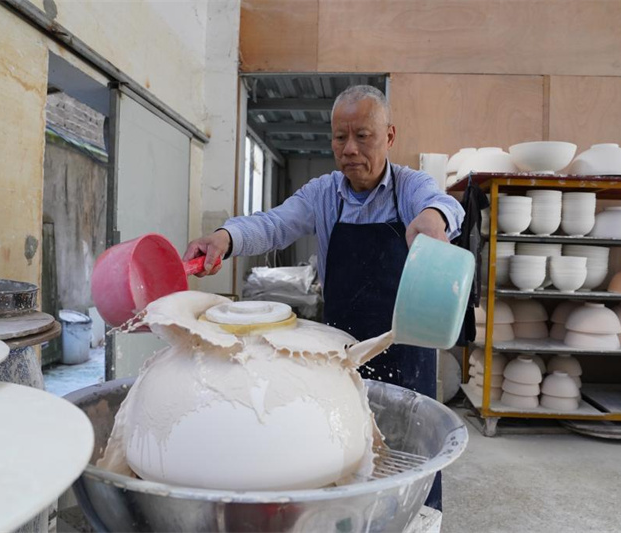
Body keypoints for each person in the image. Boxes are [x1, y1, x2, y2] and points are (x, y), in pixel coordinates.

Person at [184, 85, 464, 510]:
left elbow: (443, 205)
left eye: (363, 136)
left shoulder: (410, 187)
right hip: (343, 348)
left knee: (411, 459)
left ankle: (417, 517)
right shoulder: (323, 193)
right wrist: (225, 238)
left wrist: (431, 219)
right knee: (345, 451)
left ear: (388, 137)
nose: (349, 149)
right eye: (339, 137)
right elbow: (275, 223)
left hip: (407, 346)